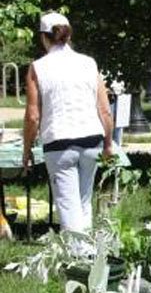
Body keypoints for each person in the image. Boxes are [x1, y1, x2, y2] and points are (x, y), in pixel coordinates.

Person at [23, 12, 113, 233]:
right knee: (83, 203)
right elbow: (104, 110)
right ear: (68, 35)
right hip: (92, 140)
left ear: (44, 37)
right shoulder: (89, 63)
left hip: (59, 143)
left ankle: (78, 260)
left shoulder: (38, 68)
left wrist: (26, 150)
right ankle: (90, 256)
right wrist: (109, 144)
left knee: (68, 206)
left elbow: (33, 116)